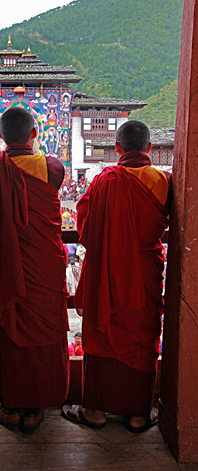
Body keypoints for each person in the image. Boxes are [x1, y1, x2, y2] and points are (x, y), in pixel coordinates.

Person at [62, 120, 171, 433]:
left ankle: (94, 411)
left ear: (118, 149)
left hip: (107, 273)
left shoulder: (104, 180)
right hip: (144, 274)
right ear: (149, 148)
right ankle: (138, 415)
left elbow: (84, 227)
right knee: (142, 335)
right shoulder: (163, 181)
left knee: (102, 332)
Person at [0, 106, 69, 435]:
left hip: (8, 270)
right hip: (44, 268)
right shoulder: (52, 167)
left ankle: (12, 406)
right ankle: (36, 408)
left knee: (10, 330)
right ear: (34, 135)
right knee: (44, 330)